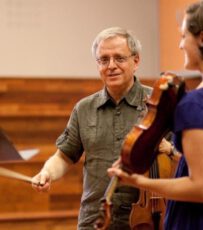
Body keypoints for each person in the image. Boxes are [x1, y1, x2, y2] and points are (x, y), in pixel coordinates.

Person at [108, 1, 203, 229]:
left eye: (184, 36)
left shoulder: (195, 104)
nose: (180, 44)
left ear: (202, 39)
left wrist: (140, 181)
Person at [32, 27, 152, 229]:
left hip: (145, 219)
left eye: (119, 58)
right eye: (103, 60)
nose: (111, 66)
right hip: (94, 219)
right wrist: (46, 173)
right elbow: (64, 156)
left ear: (136, 61)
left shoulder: (157, 103)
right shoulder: (84, 108)